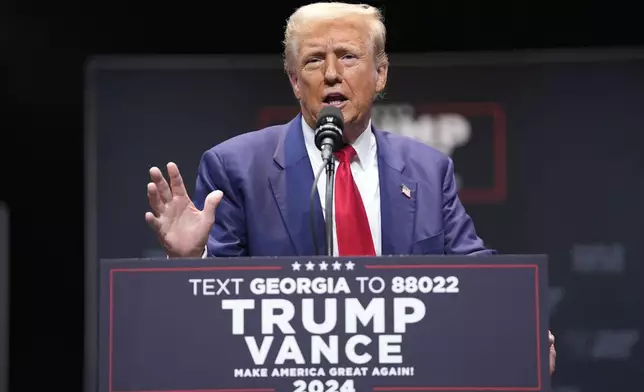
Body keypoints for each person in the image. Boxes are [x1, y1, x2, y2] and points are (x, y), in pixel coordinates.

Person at [143, 2, 555, 374]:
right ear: (293, 81)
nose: (332, 73)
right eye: (313, 61)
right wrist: (189, 259)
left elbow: (475, 274)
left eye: (348, 56)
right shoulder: (236, 166)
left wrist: (520, 326)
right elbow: (218, 313)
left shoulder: (428, 170)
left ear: (380, 73)